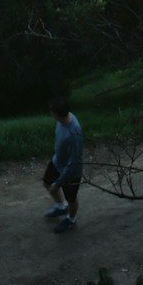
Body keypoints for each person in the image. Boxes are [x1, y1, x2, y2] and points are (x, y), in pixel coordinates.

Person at [43, 96, 83, 233]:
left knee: (71, 198)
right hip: (57, 161)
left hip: (70, 172)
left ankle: (71, 219)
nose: (50, 113)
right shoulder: (62, 119)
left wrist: (58, 184)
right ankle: (61, 206)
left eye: (51, 111)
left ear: (56, 113)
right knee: (47, 182)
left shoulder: (73, 133)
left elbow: (74, 163)